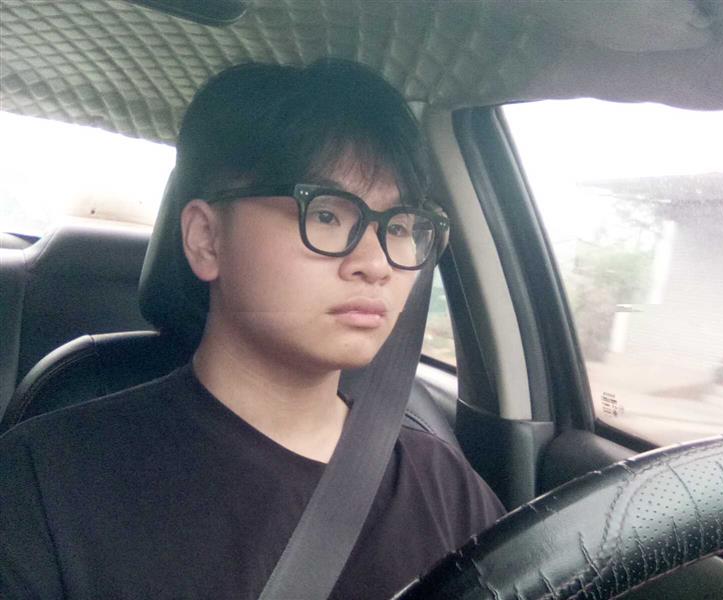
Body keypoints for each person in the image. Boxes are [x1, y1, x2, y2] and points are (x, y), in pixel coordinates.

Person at [0, 60, 505, 599]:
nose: (377, 263)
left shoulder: (445, 483)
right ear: (206, 239)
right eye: (326, 215)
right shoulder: (45, 481)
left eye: (399, 226)